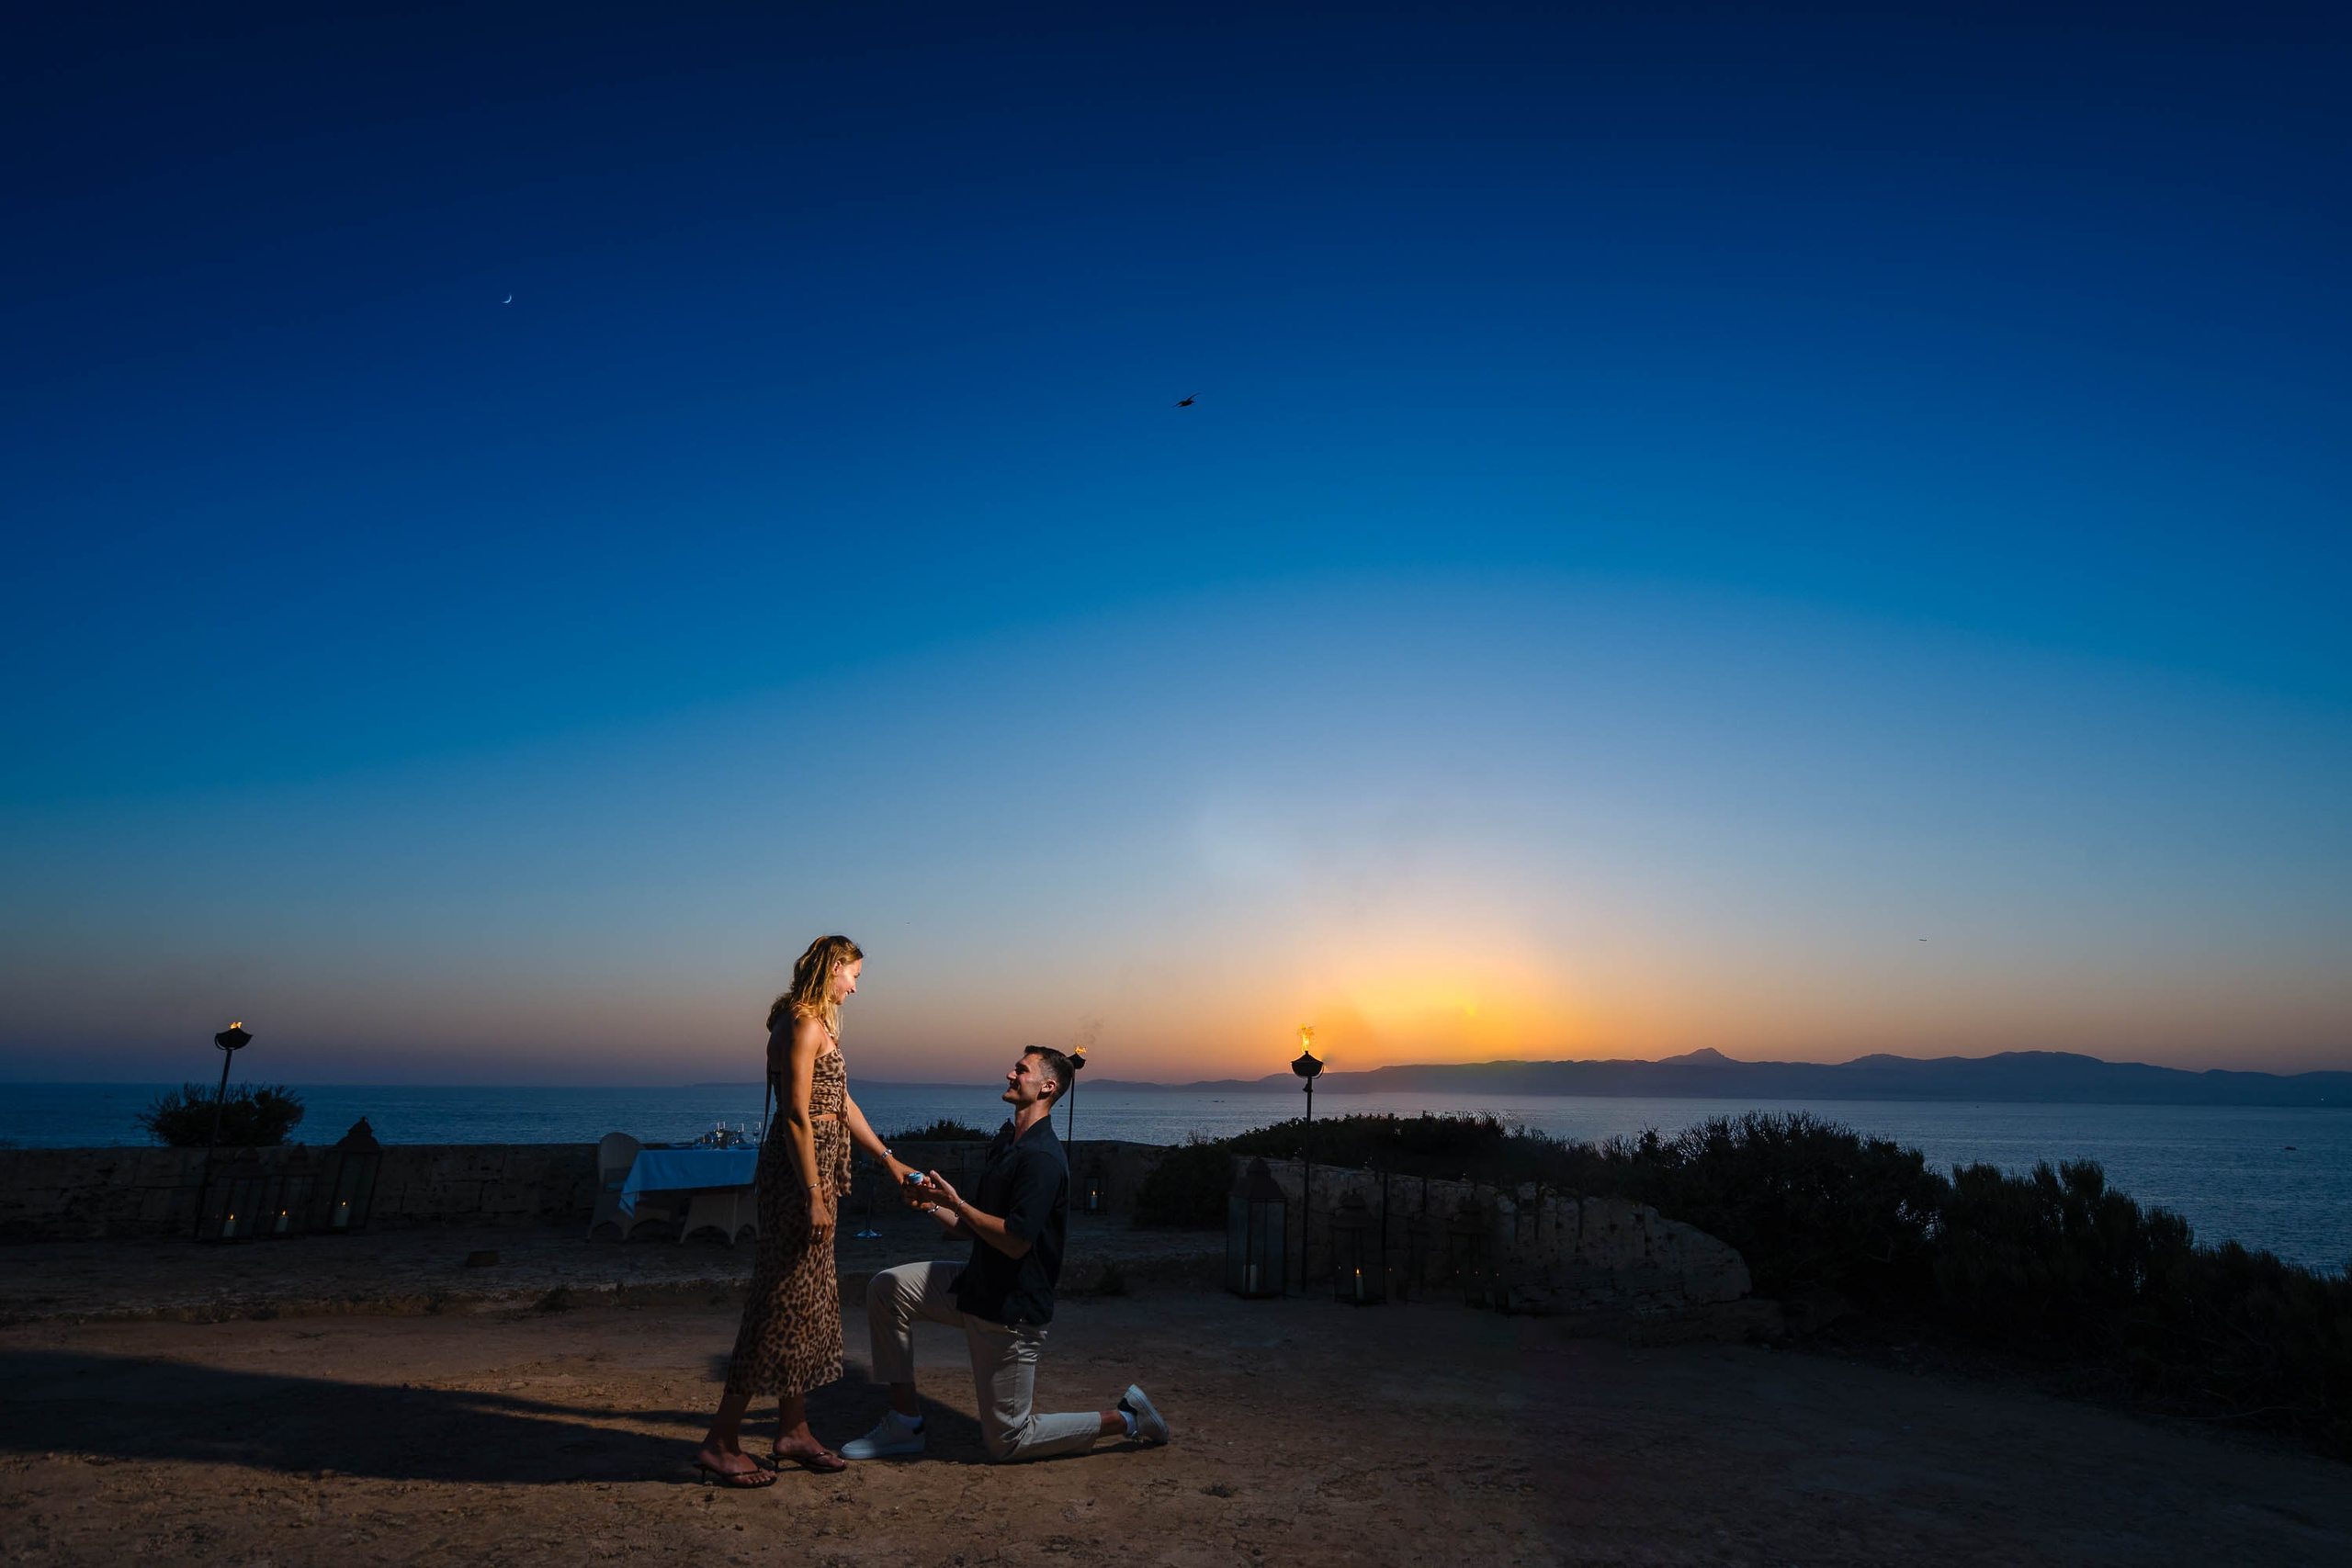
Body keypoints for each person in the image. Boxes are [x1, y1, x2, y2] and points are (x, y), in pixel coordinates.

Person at [839, 1046, 1172, 1463]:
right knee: (888, 1289)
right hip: (974, 1286)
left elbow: (1015, 1241)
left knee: (1007, 1442)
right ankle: (905, 1423)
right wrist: (929, 1204)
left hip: (1010, 1311)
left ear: (1047, 1087)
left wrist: (957, 1203)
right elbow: (972, 1226)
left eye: (1021, 1070)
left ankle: (1126, 1418)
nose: (1009, 1075)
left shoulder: (1044, 1160)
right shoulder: (1007, 1142)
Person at [694, 935, 915, 1486]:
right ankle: (720, 1441)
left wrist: (888, 1160)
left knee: (805, 1304)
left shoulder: (819, 1022)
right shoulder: (801, 1022)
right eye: (854, 975)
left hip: (816, 1173)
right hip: (799, 1178)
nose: (856, 986)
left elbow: (839, 1104)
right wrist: (813, 1194)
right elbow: (795, 1116)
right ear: (834, 967)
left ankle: (793, 1430)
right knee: (778, 1304)